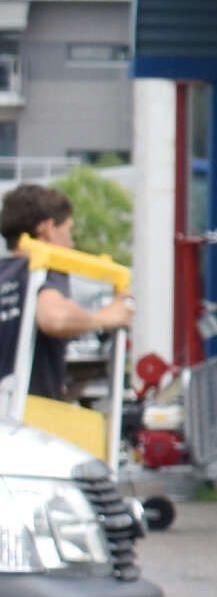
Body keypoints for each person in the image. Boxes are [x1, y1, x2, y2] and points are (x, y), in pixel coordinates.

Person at [3, 180, 130, 445]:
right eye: (68, 231)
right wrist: (106, 317)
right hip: (27, 426)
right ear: (47, 229)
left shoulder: (5, 274)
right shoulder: (42, 269)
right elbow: (54, 318)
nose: (71, 243)